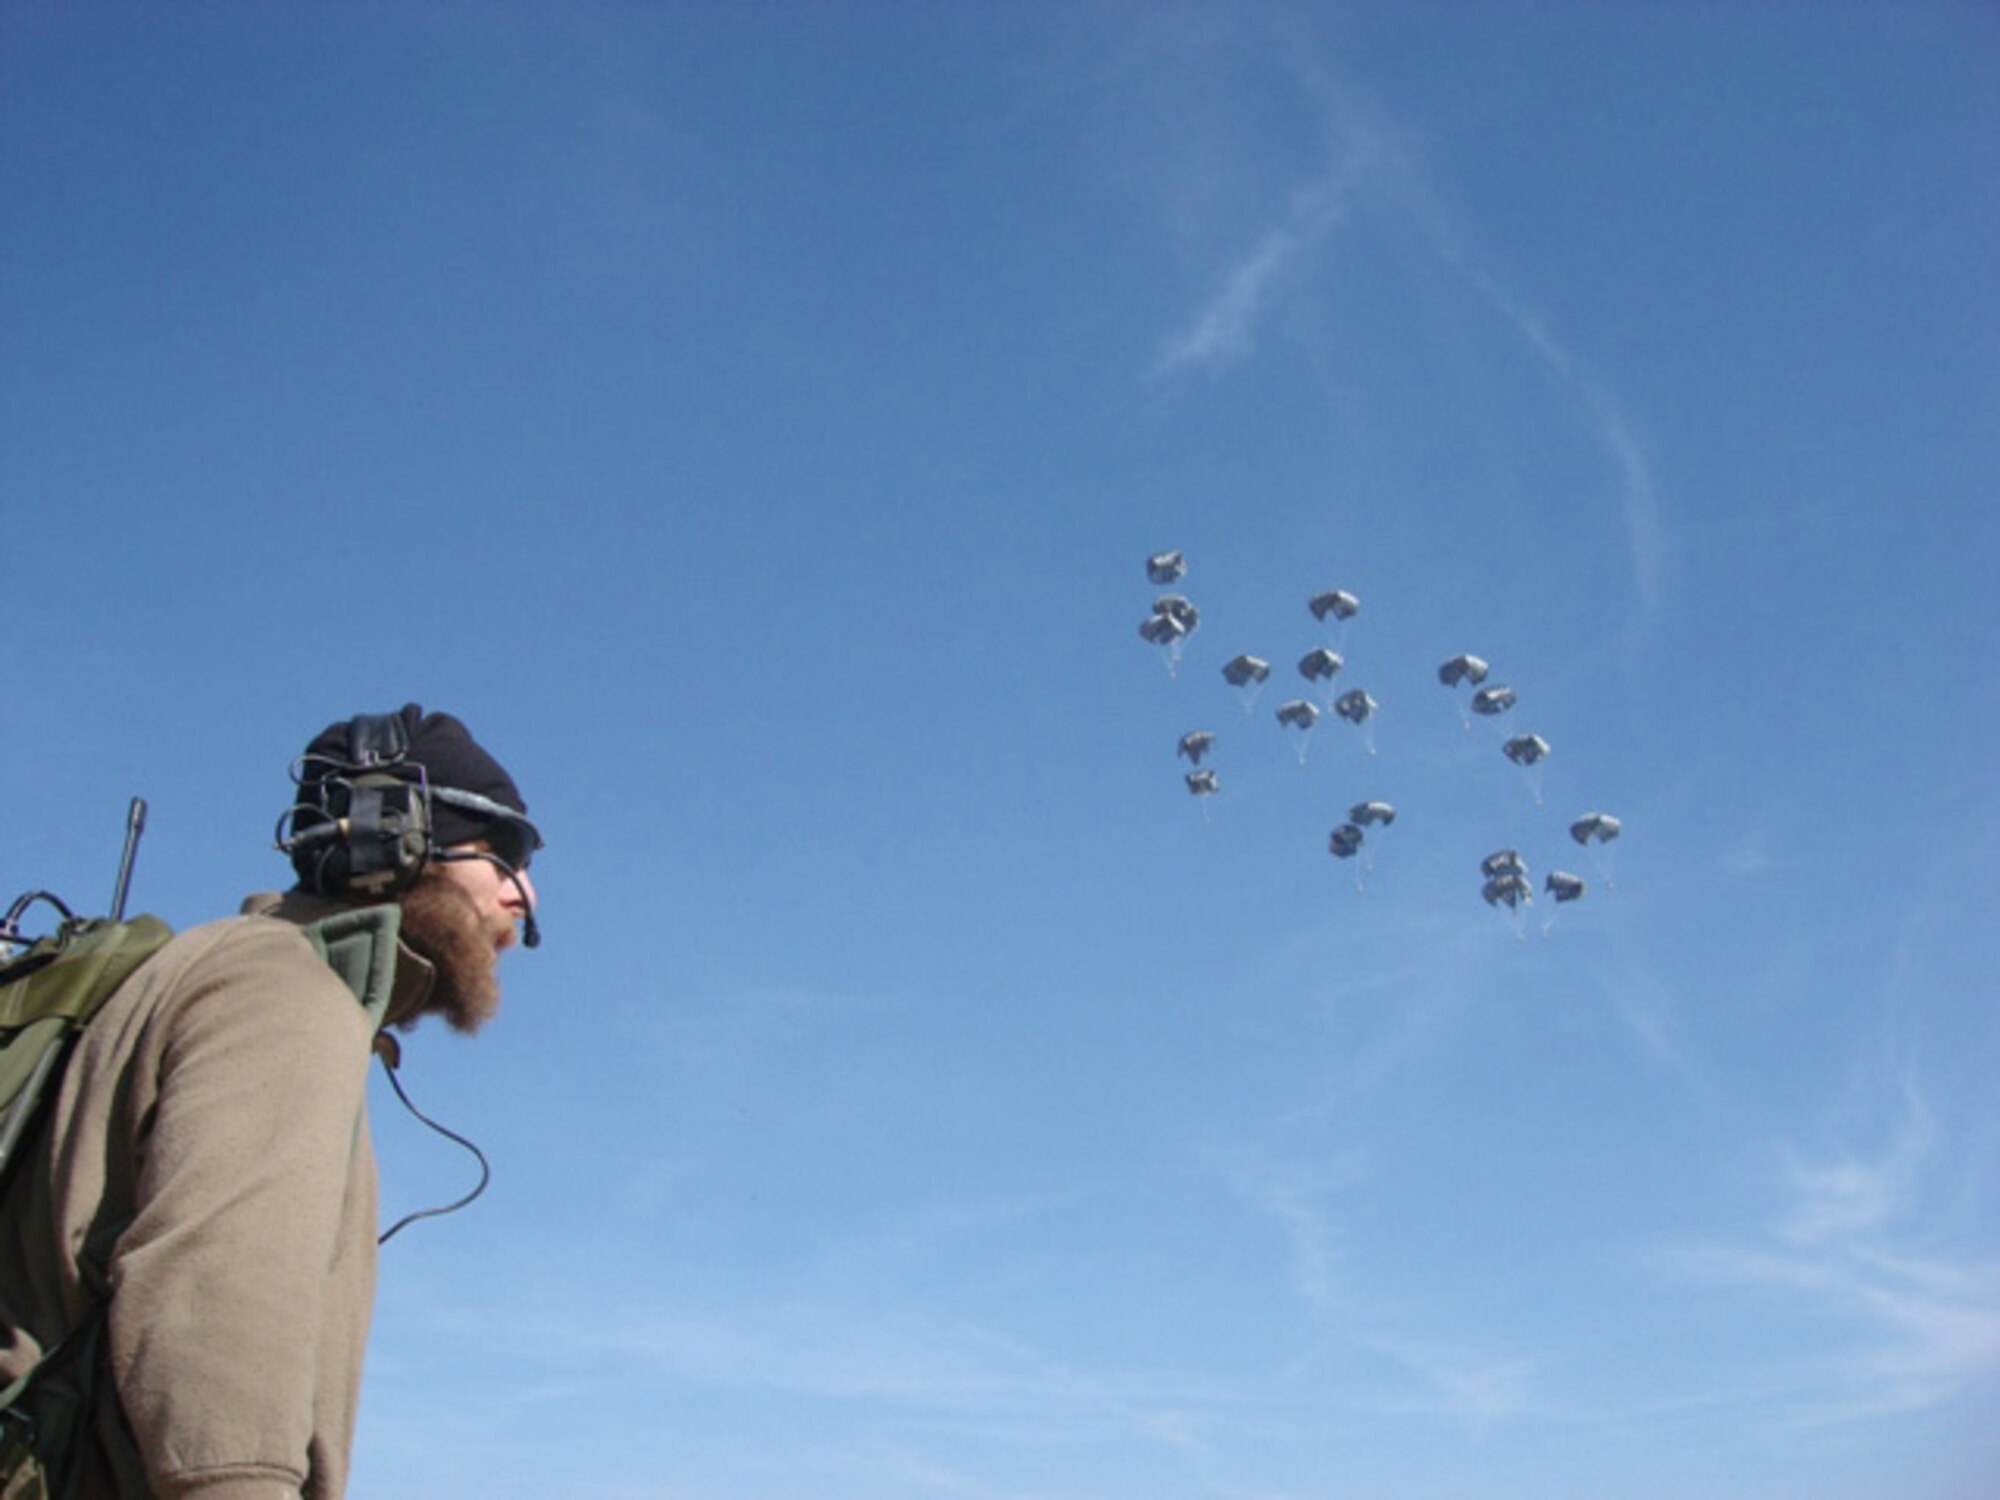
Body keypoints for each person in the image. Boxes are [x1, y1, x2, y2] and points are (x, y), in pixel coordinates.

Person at [0, 704, 540, 1499]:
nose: (521, 894)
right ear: (388, 832)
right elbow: (215, 1313)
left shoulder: (219, 969)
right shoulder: (284, 995)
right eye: (499, 855)